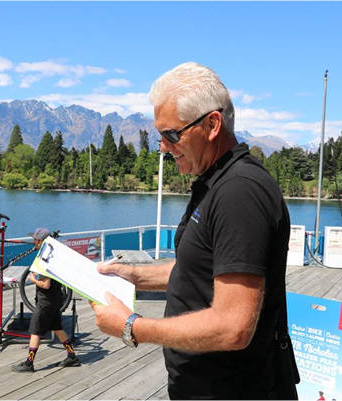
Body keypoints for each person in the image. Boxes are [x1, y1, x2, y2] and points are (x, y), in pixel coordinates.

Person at [91, 62, 291, 399]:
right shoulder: (215, 181)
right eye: (159, 136)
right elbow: (200, 268)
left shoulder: (239, 192)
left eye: (171, 134)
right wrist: (136, 277)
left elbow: (233, 327)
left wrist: (132, 327)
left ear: (212, 124)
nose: (163, 147)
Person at [11, 227, 80, 372]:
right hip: (56, 299)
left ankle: (29, 363)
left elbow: (45, 284)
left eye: (35, 240)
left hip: (45, 302)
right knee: (58, 329)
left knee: (35, 331)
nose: (33, 242)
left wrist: (32, 279)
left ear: (41, 241)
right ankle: (72, 356)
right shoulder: (54, 255)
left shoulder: (45, 259)